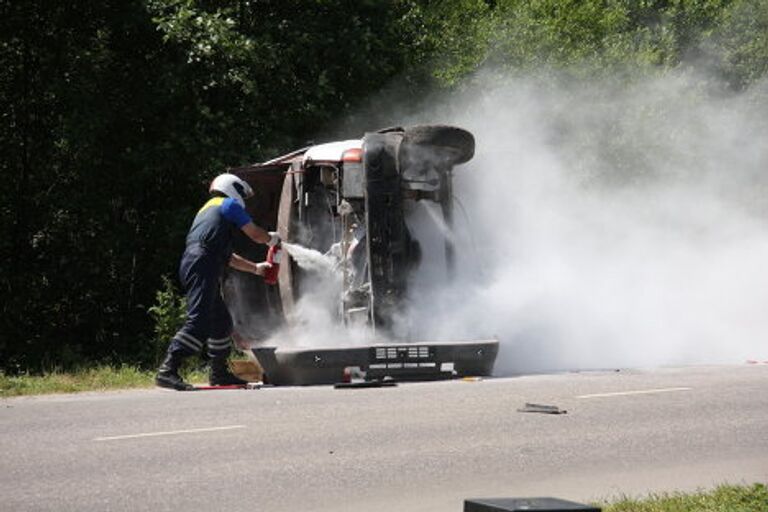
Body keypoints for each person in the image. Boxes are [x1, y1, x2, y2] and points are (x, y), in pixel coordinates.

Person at [155, 173, 280, 390]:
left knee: (221, 323)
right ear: (233, 189)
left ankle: (219, 373)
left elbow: (228, 257)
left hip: (201, 262)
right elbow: (255, 234)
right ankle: (168, 369)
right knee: (199, 321)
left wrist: (256, 269)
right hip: (203, 263)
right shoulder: (228, 204)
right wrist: (272, 239)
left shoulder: (209, 211)